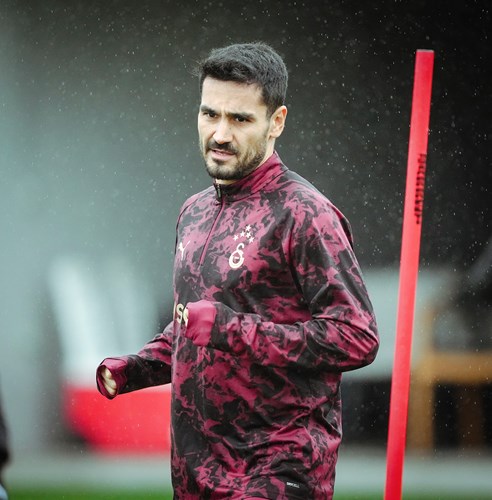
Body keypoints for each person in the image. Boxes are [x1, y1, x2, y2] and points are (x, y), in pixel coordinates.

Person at [97, 42, 379, 499]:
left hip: (276, 473)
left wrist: (234, 330)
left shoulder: (305, 213)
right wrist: (136, 368)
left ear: (276, 122)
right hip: (194, 476)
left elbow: (356, 336)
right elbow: (193, 327)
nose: (220, 134)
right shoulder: (193, 212)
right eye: (210, 114)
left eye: (240, 119)